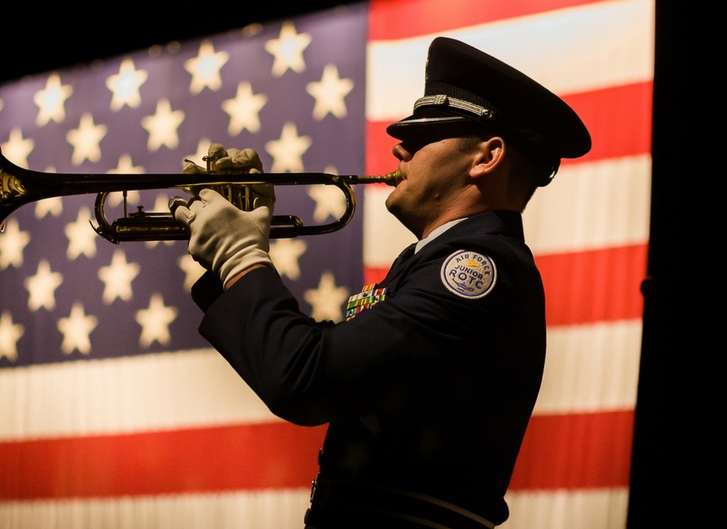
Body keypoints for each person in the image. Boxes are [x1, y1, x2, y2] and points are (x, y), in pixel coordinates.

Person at [172, 37, 590, 529]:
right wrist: (232, 263)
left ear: (486, 156)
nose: (399, 148)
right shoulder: (430, 262)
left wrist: (239, 256)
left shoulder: (478, 270)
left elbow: (306, 378)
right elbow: (318, 353)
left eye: (422, 136)